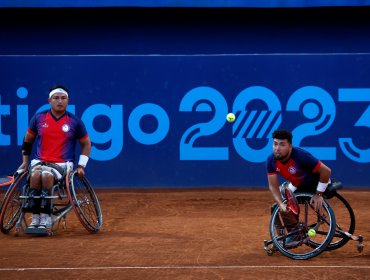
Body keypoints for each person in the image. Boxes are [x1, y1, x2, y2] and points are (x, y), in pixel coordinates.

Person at [18, 85, 91, 229]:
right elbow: (28, 140)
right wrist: (25, 162)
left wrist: (81, 165)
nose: (60, 101)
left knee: (45, 175)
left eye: (63, 98)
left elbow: (87, 144)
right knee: (35, 175)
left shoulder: (75, 121)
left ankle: (45, 216)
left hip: (63, 164)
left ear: (68, 101)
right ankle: (35, 217)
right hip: (39, 161)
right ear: (49, 100)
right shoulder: (39, 118)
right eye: (56, 98)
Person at [266, 129, 331, 245]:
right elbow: (273, 186)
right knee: (277, 205)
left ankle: (294, 234)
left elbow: (326, 171)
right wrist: (281, 204)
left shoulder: (301, 156)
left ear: (290, 146)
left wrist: (318, 194)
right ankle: (286, 236)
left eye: (282, 145)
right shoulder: (271, 161)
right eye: (275, 144)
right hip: (298, 186)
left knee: (284, 197)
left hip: (314, 186)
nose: (277, 148)